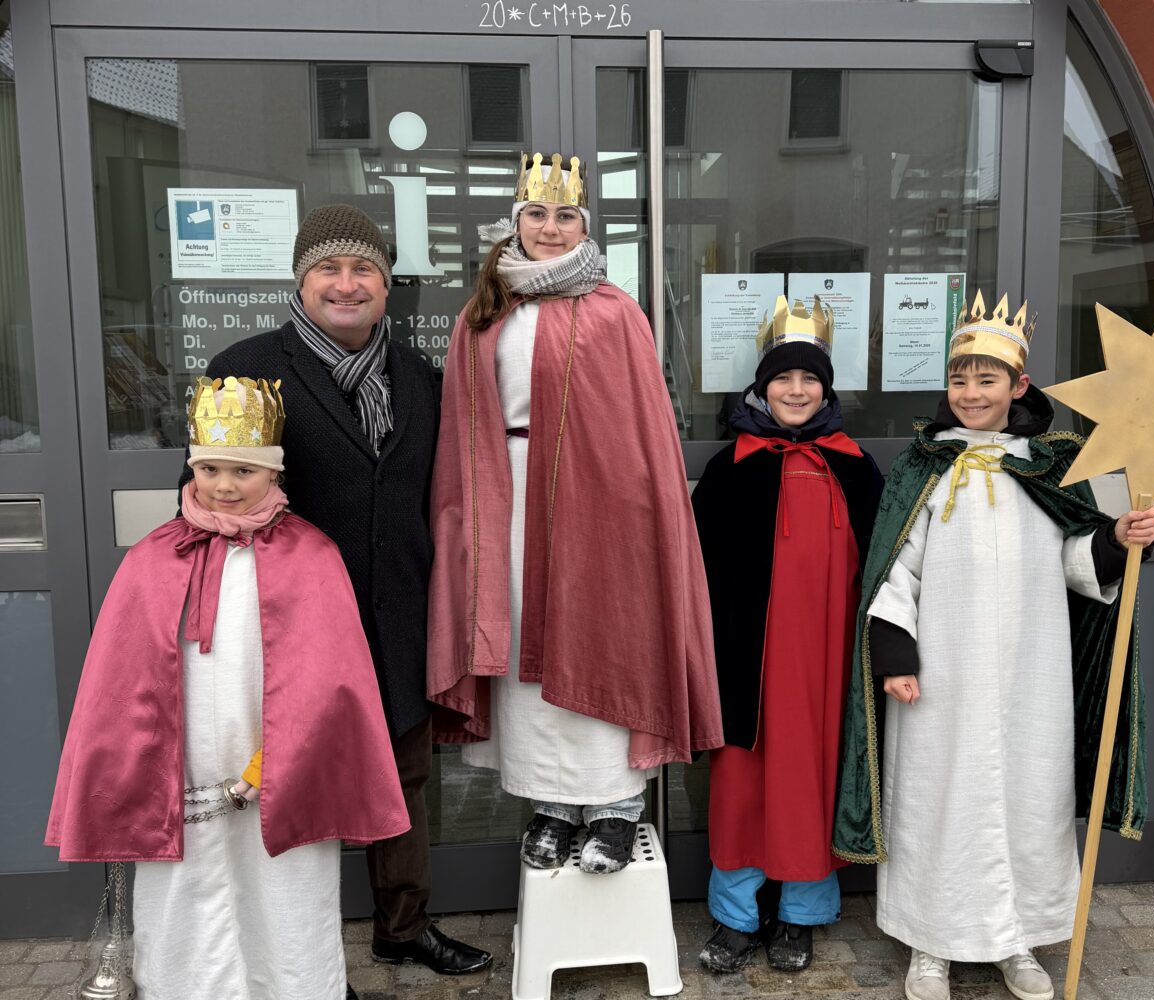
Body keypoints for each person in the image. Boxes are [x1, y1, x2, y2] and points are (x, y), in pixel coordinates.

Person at [178, 205, 491, 975]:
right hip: (290, 635)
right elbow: (202, 510)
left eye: (366, 272)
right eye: (330, 269)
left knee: (404, 784)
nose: (347, 285)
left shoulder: (417, 377)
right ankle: (303, 965)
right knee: (296, 792)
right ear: (301, 278)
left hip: (398, 622)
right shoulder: (245, 370)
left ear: (386, 286)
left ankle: (403, 928)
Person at [832, 292, 1154, 1000]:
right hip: (939, 682)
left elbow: (1077, 563)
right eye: (960, 378)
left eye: (987, 379)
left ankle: (1018, 942)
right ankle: (931, 946)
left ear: (1019, 386)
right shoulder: (924, 469)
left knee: (1029, 805)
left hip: (1029, 679)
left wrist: (1114, 540)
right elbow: (893, 573)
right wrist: (895, 659)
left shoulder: (1058, 466)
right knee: (936, 803)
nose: (971, 393)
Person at [47, 376, 410, 1000]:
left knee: (285, 883)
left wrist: (278, 760)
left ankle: (295, 987)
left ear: (274, 474)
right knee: (183, 884)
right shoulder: (153, 557)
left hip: (272, 765)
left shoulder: (312, 555)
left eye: (244, 470)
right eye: (210, 468)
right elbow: (120, 681)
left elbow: (332, 683)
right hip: (181, 766)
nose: (223, 485)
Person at [427, 152, 722, 875]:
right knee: (526, 646)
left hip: (602, 510)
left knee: (603, 638)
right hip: (510, 499)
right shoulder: (483, 311)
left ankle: (616, 808)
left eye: (565, 216)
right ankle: (552, 806)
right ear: (515, 223)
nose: (550, 228)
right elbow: (464, 424)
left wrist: (638, 514)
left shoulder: (616, 311)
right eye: (537, 214)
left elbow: (641, 429)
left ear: (584, 226)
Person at [691, 296, 882, 973]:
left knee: (814, 781)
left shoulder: (856, 467)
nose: (796, 391)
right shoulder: (729, 469)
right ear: (761, 386)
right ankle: (738, 915)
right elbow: (695, 573)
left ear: (826, 389)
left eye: (810, 380)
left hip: (827, 665)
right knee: (742, 786)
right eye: (783, 379)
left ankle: (801, 913)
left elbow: (888, 567)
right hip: (748, 663)